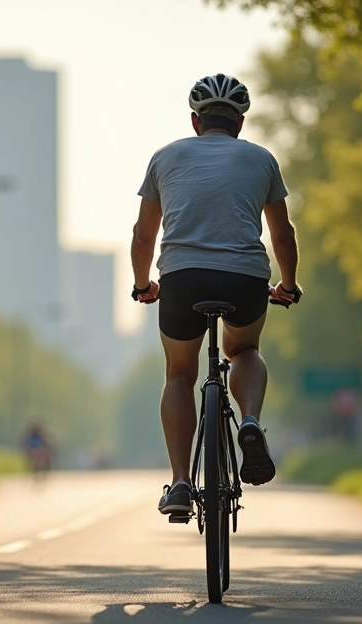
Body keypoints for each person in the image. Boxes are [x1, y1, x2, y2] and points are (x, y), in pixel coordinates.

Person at [129, 74, 302, 518]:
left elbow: (143, 236)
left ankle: (183, 483)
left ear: (194, 121)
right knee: (243, 347)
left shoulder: (165, 157)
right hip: (244, 278)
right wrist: (288, 283)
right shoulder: (261, 159)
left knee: (179, 374)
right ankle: (248, 421)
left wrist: (143, 284)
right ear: (240, 124)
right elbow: (282, 235)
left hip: (182, 279)